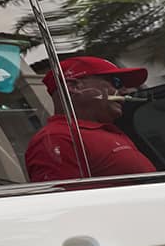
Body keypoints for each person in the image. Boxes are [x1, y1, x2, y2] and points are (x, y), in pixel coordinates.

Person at [25, 56, 156, 181]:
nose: (125, 91)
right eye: (116, 82)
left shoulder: (103, 130)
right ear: (74, 87)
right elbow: (67, 202)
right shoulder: (58, 138)